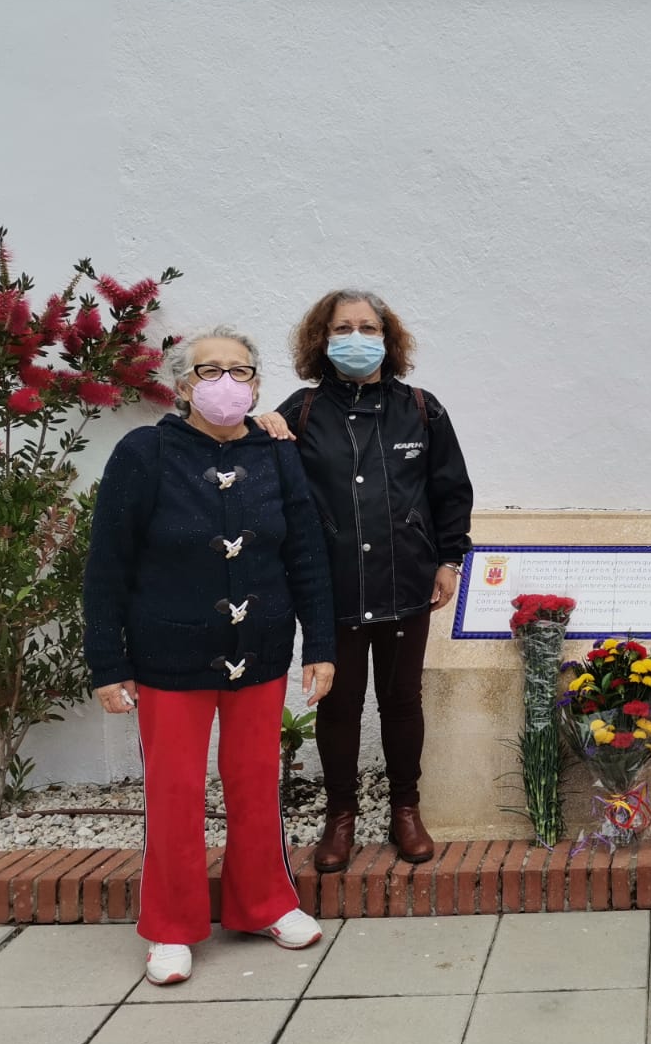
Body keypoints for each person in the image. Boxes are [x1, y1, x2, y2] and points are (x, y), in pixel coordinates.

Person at [84, 326, 335, 987]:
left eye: (240, 370)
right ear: (182, 384)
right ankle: (171, 927)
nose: (226, 382)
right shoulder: (143, 453)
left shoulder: (278, 453)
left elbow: (305, 553)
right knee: (174, 793)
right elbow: (107, 565)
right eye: (209, 370)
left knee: (257, 786)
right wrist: (108, 663)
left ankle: (265, 904)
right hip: (169, 654)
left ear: (255, 382)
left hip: (261, 649)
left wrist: (323, 646)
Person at [256, 290, 474, 872]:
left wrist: (449, 560)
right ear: (322, 340)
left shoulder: (423, 410)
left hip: (408, 584)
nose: (356, 337)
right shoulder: (300, 412)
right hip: (334, 589)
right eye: (343, 327)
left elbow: (451, 492)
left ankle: (406, 810)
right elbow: (262, 483)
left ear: (388, 337)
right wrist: (258, 427)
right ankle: (340, 818)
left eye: (368, 327)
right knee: (340, 706)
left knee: (402, 703)